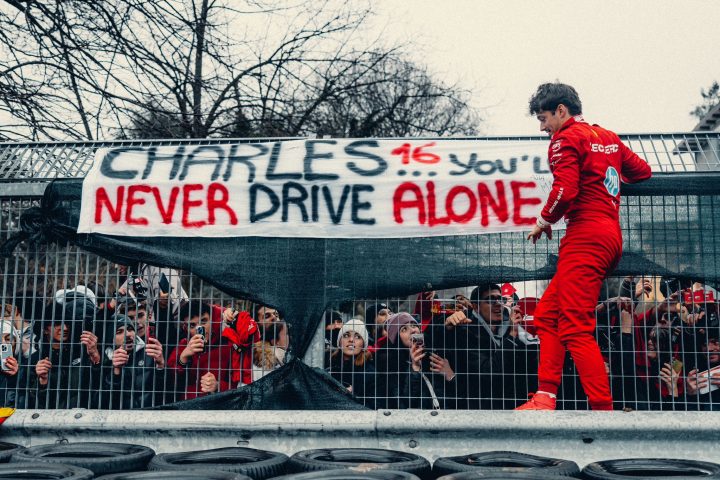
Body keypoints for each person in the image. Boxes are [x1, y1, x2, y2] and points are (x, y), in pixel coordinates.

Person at [518, 83, 652, 410]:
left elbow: (566, 190)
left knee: (575, 326)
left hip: (585, 238)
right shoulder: (606, 136)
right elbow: (643, 172)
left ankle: (602, 410)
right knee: (547, 317)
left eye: (544, 118)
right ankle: (545, 397)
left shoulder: (564, 139)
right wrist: (606, 173)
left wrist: (544, 220)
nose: (542, 127)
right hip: (609, 236)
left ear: (561, 111)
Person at [100, 314, 165, 409]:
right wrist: (116, 372)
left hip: (150, 417)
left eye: (130, 329)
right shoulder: (103, 361)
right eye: (119, 332)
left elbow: (165, 392)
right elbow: (104, 402)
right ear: (110, 338)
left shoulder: (151, 353)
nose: (128, 334)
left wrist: (161, 366)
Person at [325, 318, 376, 408]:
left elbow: (374, 407)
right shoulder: (328, 371)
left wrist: (350, 396)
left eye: (357, 337)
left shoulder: (371, 374)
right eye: (346, 335)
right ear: (339, 342)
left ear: (363, 344)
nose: (351, 340)